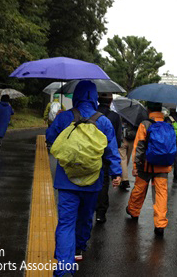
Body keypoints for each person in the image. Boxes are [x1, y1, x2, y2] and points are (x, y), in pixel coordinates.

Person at [46, 81, 122, 276]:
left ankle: (64, 269)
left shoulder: (64, 117)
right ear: (94, 97)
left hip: (66, 181)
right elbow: (111, 150)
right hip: (93, 181)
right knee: (86, 216)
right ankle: (79, 247)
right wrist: (116, 173)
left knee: (65, 224)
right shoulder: (103, 121)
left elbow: (49, 137)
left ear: (77, 96)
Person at [126, 101, 173, 236]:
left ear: (148, 109)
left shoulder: (145, 124)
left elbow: (139, 146)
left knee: (139, 189)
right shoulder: (167, 124)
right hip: (163, 165)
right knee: (161, 194)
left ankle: (133, 211)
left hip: (146, 165)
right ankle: (160, 225)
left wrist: (135, 166)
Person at [95, 92, 123, 223]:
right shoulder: (115, 117)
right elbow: (117, 140)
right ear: (111, 101)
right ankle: (100, 213)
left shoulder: (90, 114)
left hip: (89, 154)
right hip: (105, 156)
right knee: (103, 183)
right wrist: (116, 171)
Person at [164, 108, 177, 181]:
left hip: (169, 140)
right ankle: (176, 175)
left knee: (167, 155)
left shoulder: (167, 118)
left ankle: (165, 172)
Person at [119, 118, 137, 190]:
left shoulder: (123, 115)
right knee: (127, 160)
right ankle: (123, 177)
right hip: (132, 140)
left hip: (123, 139)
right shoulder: (137, 117)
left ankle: (124, 180)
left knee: (123, 159)